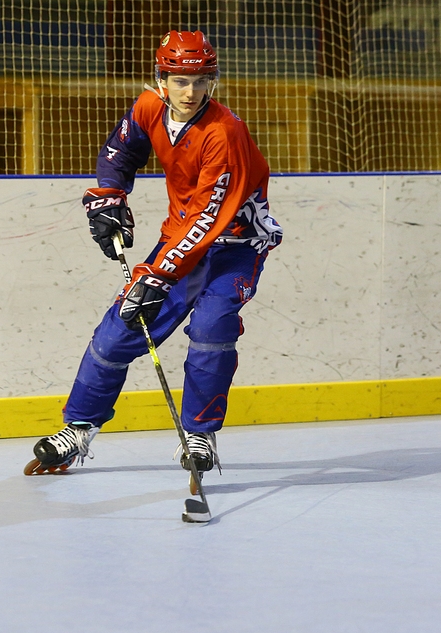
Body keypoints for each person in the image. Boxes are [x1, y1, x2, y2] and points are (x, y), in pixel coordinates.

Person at [26, 30, 282, 489]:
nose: (190, 91)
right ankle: (79, 428)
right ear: (161, 79)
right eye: (180, 80)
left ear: (213, 81)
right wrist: (108, 196)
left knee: (212, 328)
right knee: (118, 331)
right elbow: (120, 152)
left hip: (235, 246)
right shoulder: (148, 108)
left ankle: (199, 434)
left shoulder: (224, 133)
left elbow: (208, 218)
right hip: (181, 241)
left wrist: (158, 275)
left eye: (201, 81)